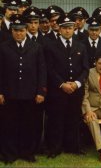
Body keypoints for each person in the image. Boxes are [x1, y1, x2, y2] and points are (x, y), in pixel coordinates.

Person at [0, 14, 47, 164]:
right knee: (9, 125)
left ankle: (28, 152)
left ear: (26, 30)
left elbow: (42, 71)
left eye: (21, 30)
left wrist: (41, 92)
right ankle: (10, 153)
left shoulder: (36, 47)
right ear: (12, 31)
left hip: (30, 94)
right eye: (15, 30)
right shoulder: (3, 47)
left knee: (29, 125)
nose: (18, 33)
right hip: (10, 94)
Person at [44, 13, 89, 158]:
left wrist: (76, 83)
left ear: (74, 28)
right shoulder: (51, 46)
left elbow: (85, 68)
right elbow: (49, 69)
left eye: (70, 28)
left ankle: (73, 146)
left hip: (75, 90)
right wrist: (62, 84)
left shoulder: (81, 46)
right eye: (64, 28)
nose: (67, 31)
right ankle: (55, 148)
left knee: (74, 119)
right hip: (58, 90)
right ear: (59, 29)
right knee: (56, 119)